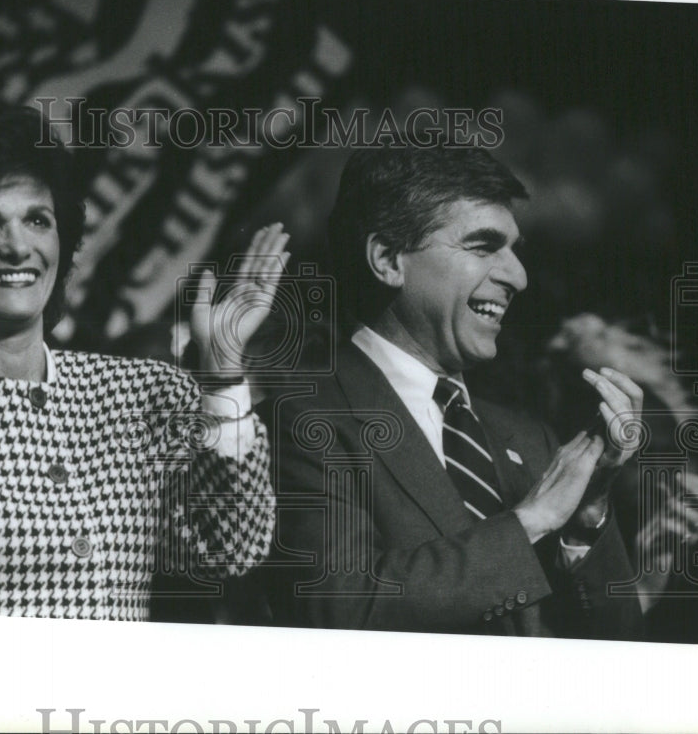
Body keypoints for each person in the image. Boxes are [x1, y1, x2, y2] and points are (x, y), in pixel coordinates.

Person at [0, 105, 289, 620]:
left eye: (37, 220)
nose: (18, 247)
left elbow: (228, 551)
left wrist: (221, 370)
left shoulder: (147, 392)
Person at [266, 146, 645, 638]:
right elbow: (342, 612)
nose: (518, 276)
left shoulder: (534, 440)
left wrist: (586, 514)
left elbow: (624, 645)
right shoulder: (299, 418)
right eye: (484, 246)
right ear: (387, 259)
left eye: (515, 251)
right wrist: (532, 520)